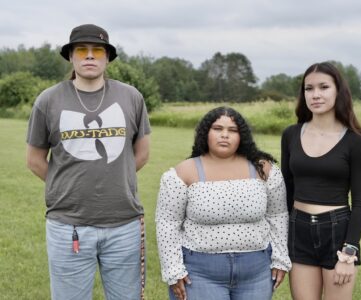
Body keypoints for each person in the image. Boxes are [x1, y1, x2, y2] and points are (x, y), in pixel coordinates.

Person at [26, 24, 151, 300]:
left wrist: (114, 175)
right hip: (67, 226)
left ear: (107, 58)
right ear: (71, 56)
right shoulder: (48, 100)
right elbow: (35, 160)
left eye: (98, 51)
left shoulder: (131, 97)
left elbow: (140, 154)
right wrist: (66, 183)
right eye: (82, 50)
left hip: (124, 225)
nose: (90, 56)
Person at [156, 106, 291, 300]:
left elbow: (278, 215)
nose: (225, 135)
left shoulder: (263, 169)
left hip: (257, 272)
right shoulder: (183, 172)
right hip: (199, 273)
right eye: (218, 129)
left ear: (242, 136)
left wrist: (280, 258)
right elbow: (167, 224)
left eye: (232, 130)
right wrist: (173, 269)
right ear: (206, 133)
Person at [281, 62, 361, 300]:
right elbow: (286, 190)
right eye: (308, 88)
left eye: (323, 87)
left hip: (337, 233)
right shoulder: (290, 135)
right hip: (298, 230)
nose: (315, 94)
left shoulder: (355, 143)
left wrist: (348, 253)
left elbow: (360, 203)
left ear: (338, 91)